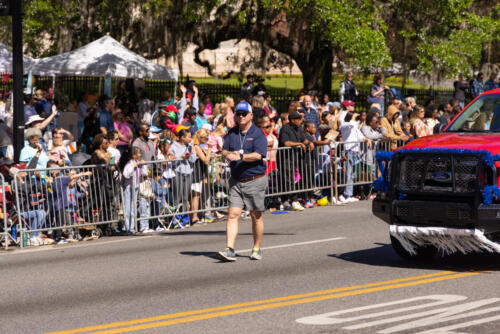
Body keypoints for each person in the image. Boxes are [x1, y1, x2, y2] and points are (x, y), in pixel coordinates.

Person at [217, 101, 268, 262]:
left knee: (255, 215)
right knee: (233, 214)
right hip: (236, 180)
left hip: (255, 179)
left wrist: (240, 156)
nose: (240, 116)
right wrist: (227, 154)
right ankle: (229, 249)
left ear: (251, 116)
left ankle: (256, 248)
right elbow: (224, 149)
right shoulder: (232, 133)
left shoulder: (258, 133)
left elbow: (259, 155)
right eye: (237, 113)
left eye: (243, 114)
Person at [278, 110, 311, 211]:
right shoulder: (285, 128)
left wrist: (308, 143)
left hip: (295, 157)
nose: (301, 121)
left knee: (290, 180)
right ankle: (293, 201)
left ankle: (285, 201)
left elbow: (303, 139)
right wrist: (299, 144)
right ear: (292, 120)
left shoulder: (299, 128)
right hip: (285, 158)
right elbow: (286, 143)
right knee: (288, 180)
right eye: (298, 119)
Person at [122, 147, 147, 234]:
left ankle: (132, 227)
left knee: (133, 208)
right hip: (129, 188)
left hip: (135, 187)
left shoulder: (138, 163)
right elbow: (126, 174)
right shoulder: (129, 164)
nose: (140, 155)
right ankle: (127, 227)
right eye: (138, 153)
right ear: (133, 155)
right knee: (128, 208)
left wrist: (143, 165)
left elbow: (145, 173)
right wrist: (133, 167)